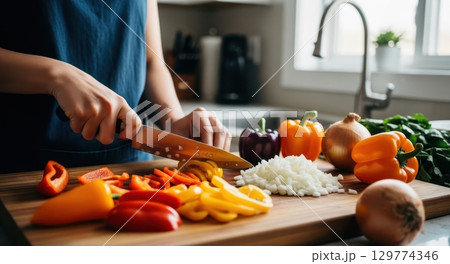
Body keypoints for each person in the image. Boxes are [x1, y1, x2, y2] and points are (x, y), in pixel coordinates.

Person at [0, 0, 231, 173]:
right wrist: (57, 76)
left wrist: (172, 121)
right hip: (25, 169)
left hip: (131, 168)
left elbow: (150, 62)